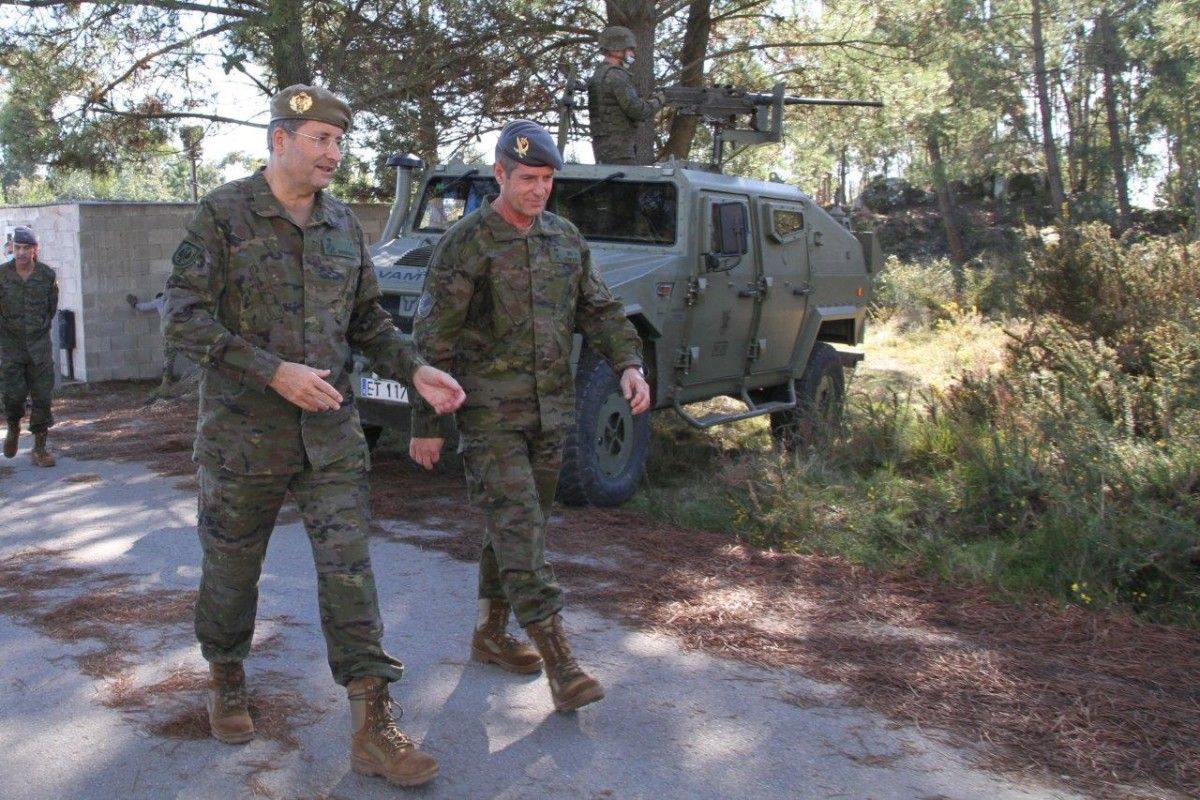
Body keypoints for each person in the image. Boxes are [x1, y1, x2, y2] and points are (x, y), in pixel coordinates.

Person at [162, 84, 464, 788]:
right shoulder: (224, 214)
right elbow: (181, 317)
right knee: (232, 572)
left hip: (329, 438)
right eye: (321, 139)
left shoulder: (342, 226)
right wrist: (272, 372)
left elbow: (368, 324)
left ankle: (372, 724)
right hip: (243, 440)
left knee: (349, 573)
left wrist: (416, 371)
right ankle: (227, 675)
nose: (334, 152)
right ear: (280, 139)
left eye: (338, 140)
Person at [409, 119, 651, 713]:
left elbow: (599, 308)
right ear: (499, 175)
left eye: (546, 179)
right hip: (488, 417)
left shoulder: (565, 238)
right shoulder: (465, 243)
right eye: (527, 179)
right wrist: (426, 424)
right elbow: (431, 341)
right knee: (521, 530)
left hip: (550, 416)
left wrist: (628, 362)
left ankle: (491, 633)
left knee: (518, 526)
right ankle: (562, 663)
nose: (539, 190)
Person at [1, 226, 59, 467]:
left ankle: (40, 448)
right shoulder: (2, 275)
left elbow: (51, 308)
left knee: (43, 397)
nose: (21, 253)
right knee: (13, 397)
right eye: (18, 248)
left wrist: (38, 328)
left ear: (35, 250)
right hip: (11, 347)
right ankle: (14, 427)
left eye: (26, 248)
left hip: (39, 347)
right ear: (12, 249)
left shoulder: (46, 275)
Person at [587, 24, 665, 165]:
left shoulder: (599, 74)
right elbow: (637, 111)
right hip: (619, 150)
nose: (632, 54)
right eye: (629, 50)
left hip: (604, 148)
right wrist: (660, 100)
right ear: (617, 49)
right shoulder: (616, 75)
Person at [127, 292, 180, 388]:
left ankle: (167, 379)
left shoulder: (158, 301)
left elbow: (146, 306)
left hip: (167, 328)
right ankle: (168, 378)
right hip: (178, 326)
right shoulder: (171, 300)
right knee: (174, 351)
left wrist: (135, 305)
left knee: (169, 354)